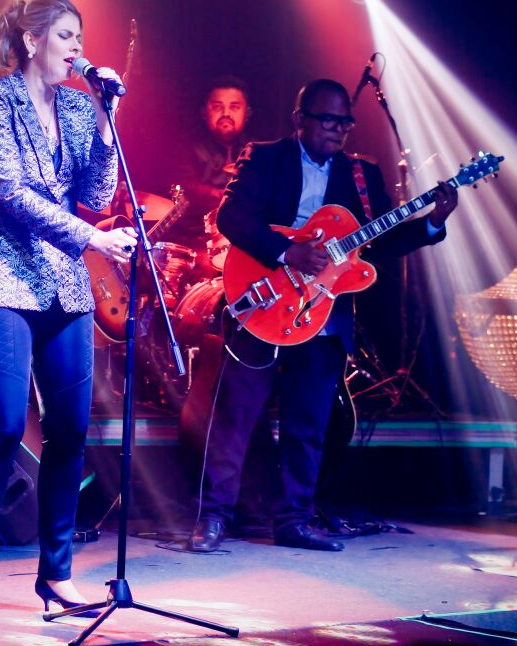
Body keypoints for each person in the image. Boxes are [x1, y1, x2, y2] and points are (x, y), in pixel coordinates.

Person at [188, 78, 457, 552]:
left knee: (308, 422)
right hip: (264, 297)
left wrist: (432, 222)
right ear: (300, 119)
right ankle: (213, 517)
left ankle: (294, 520)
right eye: (328, 120)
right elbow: (232, 217)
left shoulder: (362, 175)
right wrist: (288, 252)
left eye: (345, 123)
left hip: (322, 312)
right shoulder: (265, 157)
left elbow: (380, 242)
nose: (337, 129)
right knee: (235, 415)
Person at [0, 0, 136, 629]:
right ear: (32, 41)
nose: (77, 48)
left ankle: (56, 576)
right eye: (65, 36)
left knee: (71, 431)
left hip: (64, 285)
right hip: (1, 277)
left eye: (80, 37)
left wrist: (107, 122)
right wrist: (92, 240)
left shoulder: (82, 106)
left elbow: (97, 193)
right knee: (3, 428)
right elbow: (9, 194)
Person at [174, 75, 253, 256]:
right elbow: (185, 188)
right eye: (217, 107)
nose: (226, 114)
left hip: (246, 241)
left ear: (247, 113)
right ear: (204, 111)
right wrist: (224, 196)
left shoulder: (257, 151)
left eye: (234, 107)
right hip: (195, 241)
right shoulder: (186, 148)